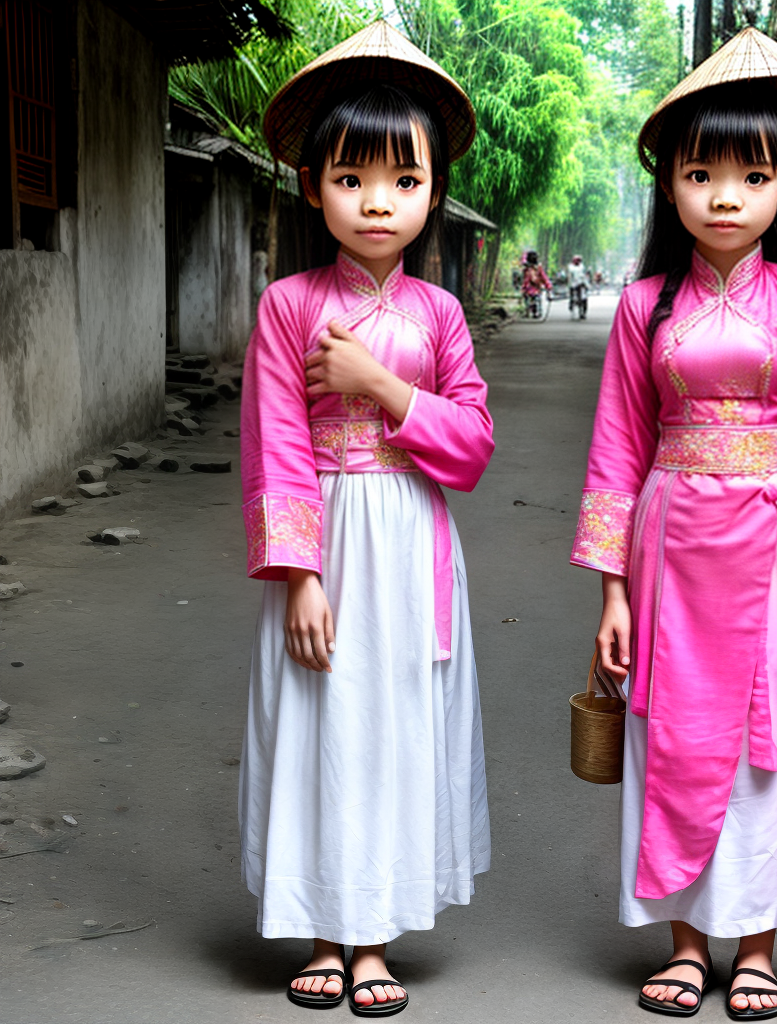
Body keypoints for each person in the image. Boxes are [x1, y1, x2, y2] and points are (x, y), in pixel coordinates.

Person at [570, 27, 777, 1021]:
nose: (721, 195)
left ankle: (752, 945)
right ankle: (683, 939)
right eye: (699, 171)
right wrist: (612, 593)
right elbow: (618, 449)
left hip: (772, 545)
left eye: (748, 175)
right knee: (670, 729)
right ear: (668, 182)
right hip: (667, 549)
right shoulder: (640, 309)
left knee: (767, 738)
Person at [239, 21, 492, 1016]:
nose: (377, 201)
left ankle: (377, 934)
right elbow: (274, 441)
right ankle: (321, 927)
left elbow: (469, 446)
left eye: (402, 180)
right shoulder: (286, 305)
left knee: (394, 726)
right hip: (327, 545)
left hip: (414, 538)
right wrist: (299, 573)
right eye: (351, 179)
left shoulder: (439, 316)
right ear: (312, 187)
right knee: (318, 723)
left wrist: (380, 385)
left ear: (432, 191)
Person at [521, 250, 551, 317]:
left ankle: (534, 310)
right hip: (528, 288)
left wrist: (548, 285)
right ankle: (528, 310)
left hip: (535, 287)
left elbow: (543, 277)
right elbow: (543, 277)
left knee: (535, 298)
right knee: (528, 298)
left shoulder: (537, 268)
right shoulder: (527, 268)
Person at [567, 254, 588, 320]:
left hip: (580, 284)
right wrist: (570, 284)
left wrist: (586, 285)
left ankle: (583, 312)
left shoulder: (582, 267)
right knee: (572, 297)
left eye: (579, 261)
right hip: (573, 285)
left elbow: (584, 277)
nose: (577, 262)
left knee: (584, 299)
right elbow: (570, 277)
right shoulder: (571, 267)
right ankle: (571, 305)